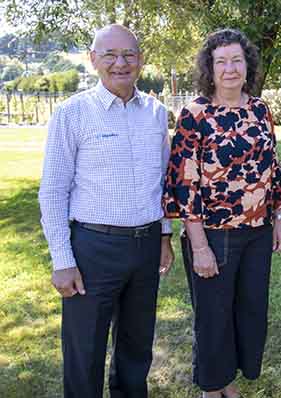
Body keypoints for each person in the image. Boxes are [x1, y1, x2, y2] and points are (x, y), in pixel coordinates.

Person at [38, 24, 175, 398]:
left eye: (129, 54)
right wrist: (61, 259)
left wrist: (164, 234)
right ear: (93, 59)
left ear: (141, 61)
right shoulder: (73, 113)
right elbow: (52, 191)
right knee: (85, 350)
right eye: (110, 55)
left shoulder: (155, 113)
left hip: (145, 246)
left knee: (136, 347)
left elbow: (162, 182)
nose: (121, 63)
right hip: (93, 248)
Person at [163, 28, 281, 398]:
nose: (230, 68)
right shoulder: (195, 115)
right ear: (210, 68)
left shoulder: (260, 109)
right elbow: (184, 183)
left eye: (237, 60)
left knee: (248, 312)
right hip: (213, 233)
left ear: (247, 65)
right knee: (214, 315)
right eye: (222, 62)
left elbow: (272, 167)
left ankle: (225, 379)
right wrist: (198, 245)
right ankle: (212, 387)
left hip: (257, 231)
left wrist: (278, 216)